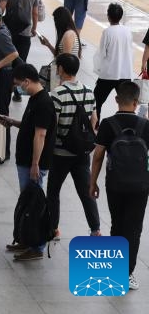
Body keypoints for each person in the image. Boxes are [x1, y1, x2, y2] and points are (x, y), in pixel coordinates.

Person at [90, 80, 149, 291]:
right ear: (136, 102)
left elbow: (97, 157)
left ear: (116, 100)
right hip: (141, 187)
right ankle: (128, 274)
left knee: (117, 224)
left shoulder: (107, 124)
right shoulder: (145, 125)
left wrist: (92, 182)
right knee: (133, 229)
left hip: (114, 184)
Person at [1, 64, 56, 261]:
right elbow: (32, 127)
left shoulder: (43, 103)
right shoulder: (35, 99)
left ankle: (37, 246)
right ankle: (26, 238)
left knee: (35, 205)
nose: (19, 88)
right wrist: (12, 122)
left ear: (26, 80)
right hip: (26, 161)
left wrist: (35, 164)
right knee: (27, 203)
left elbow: (40, 135)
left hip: (33, 164)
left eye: (19, 84)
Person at [44, 53, 101, 242]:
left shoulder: (57, 94)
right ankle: (95, 229)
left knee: (53, 191)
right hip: (82, 153)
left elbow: (54, 125)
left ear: (60, 69)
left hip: (61, 152)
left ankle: (53, 229)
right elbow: (94, 121)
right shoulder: (88, 91)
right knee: (86, 191)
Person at [94, 3, 134, 117]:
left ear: (108, 16)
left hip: (108, 74)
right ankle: (127, 126)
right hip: (125, 74)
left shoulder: (107, 32)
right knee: (126, 103)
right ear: (121, 16)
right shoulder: (127, 31)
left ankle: (95, 126)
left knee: (97, 101)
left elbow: (101, 54)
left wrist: (99, 71)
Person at [0, 0, 40, 64]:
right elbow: (35, 13)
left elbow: (1, 9)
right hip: (25, 31)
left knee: (7, 62)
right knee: (21, 62)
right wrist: (34, 28)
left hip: (9, 30)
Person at [35, 6, 82, 91]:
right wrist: (48, 44)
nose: (55, 24)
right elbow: (60, 55)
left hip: (62, 75)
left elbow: (65, 61)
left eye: (56, 20)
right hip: (60, 72)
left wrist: (60, 81)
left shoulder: (68, 35)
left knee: (56, 99)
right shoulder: (67, 33)